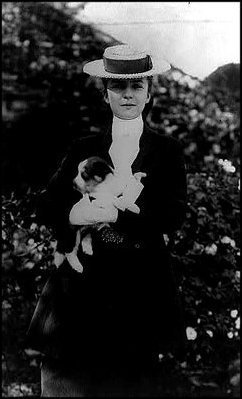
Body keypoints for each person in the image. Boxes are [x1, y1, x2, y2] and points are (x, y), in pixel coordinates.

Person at [26, 44, 187, 397]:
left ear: (148, 94)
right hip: (77, 296)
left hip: (139, 293)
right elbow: (46, 204)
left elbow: (174, 213)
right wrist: (73, 213)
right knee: (67, 384)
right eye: (118, 87)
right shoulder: (83, 146)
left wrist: (119, 215)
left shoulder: (167, 151)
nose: (128, 94)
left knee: (130, 383)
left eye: (137, 87)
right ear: (105, 94)